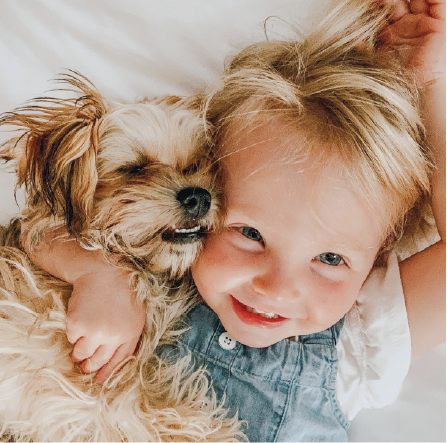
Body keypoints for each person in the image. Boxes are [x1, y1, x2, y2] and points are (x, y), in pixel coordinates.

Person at [22, 0, 447, 441]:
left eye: (330, 258)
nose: (276, 287)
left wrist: (431, 86)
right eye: (249, 233)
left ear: (380, 253)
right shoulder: (167, 262)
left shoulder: (359, 342)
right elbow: (41, 225)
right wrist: (97, 275)